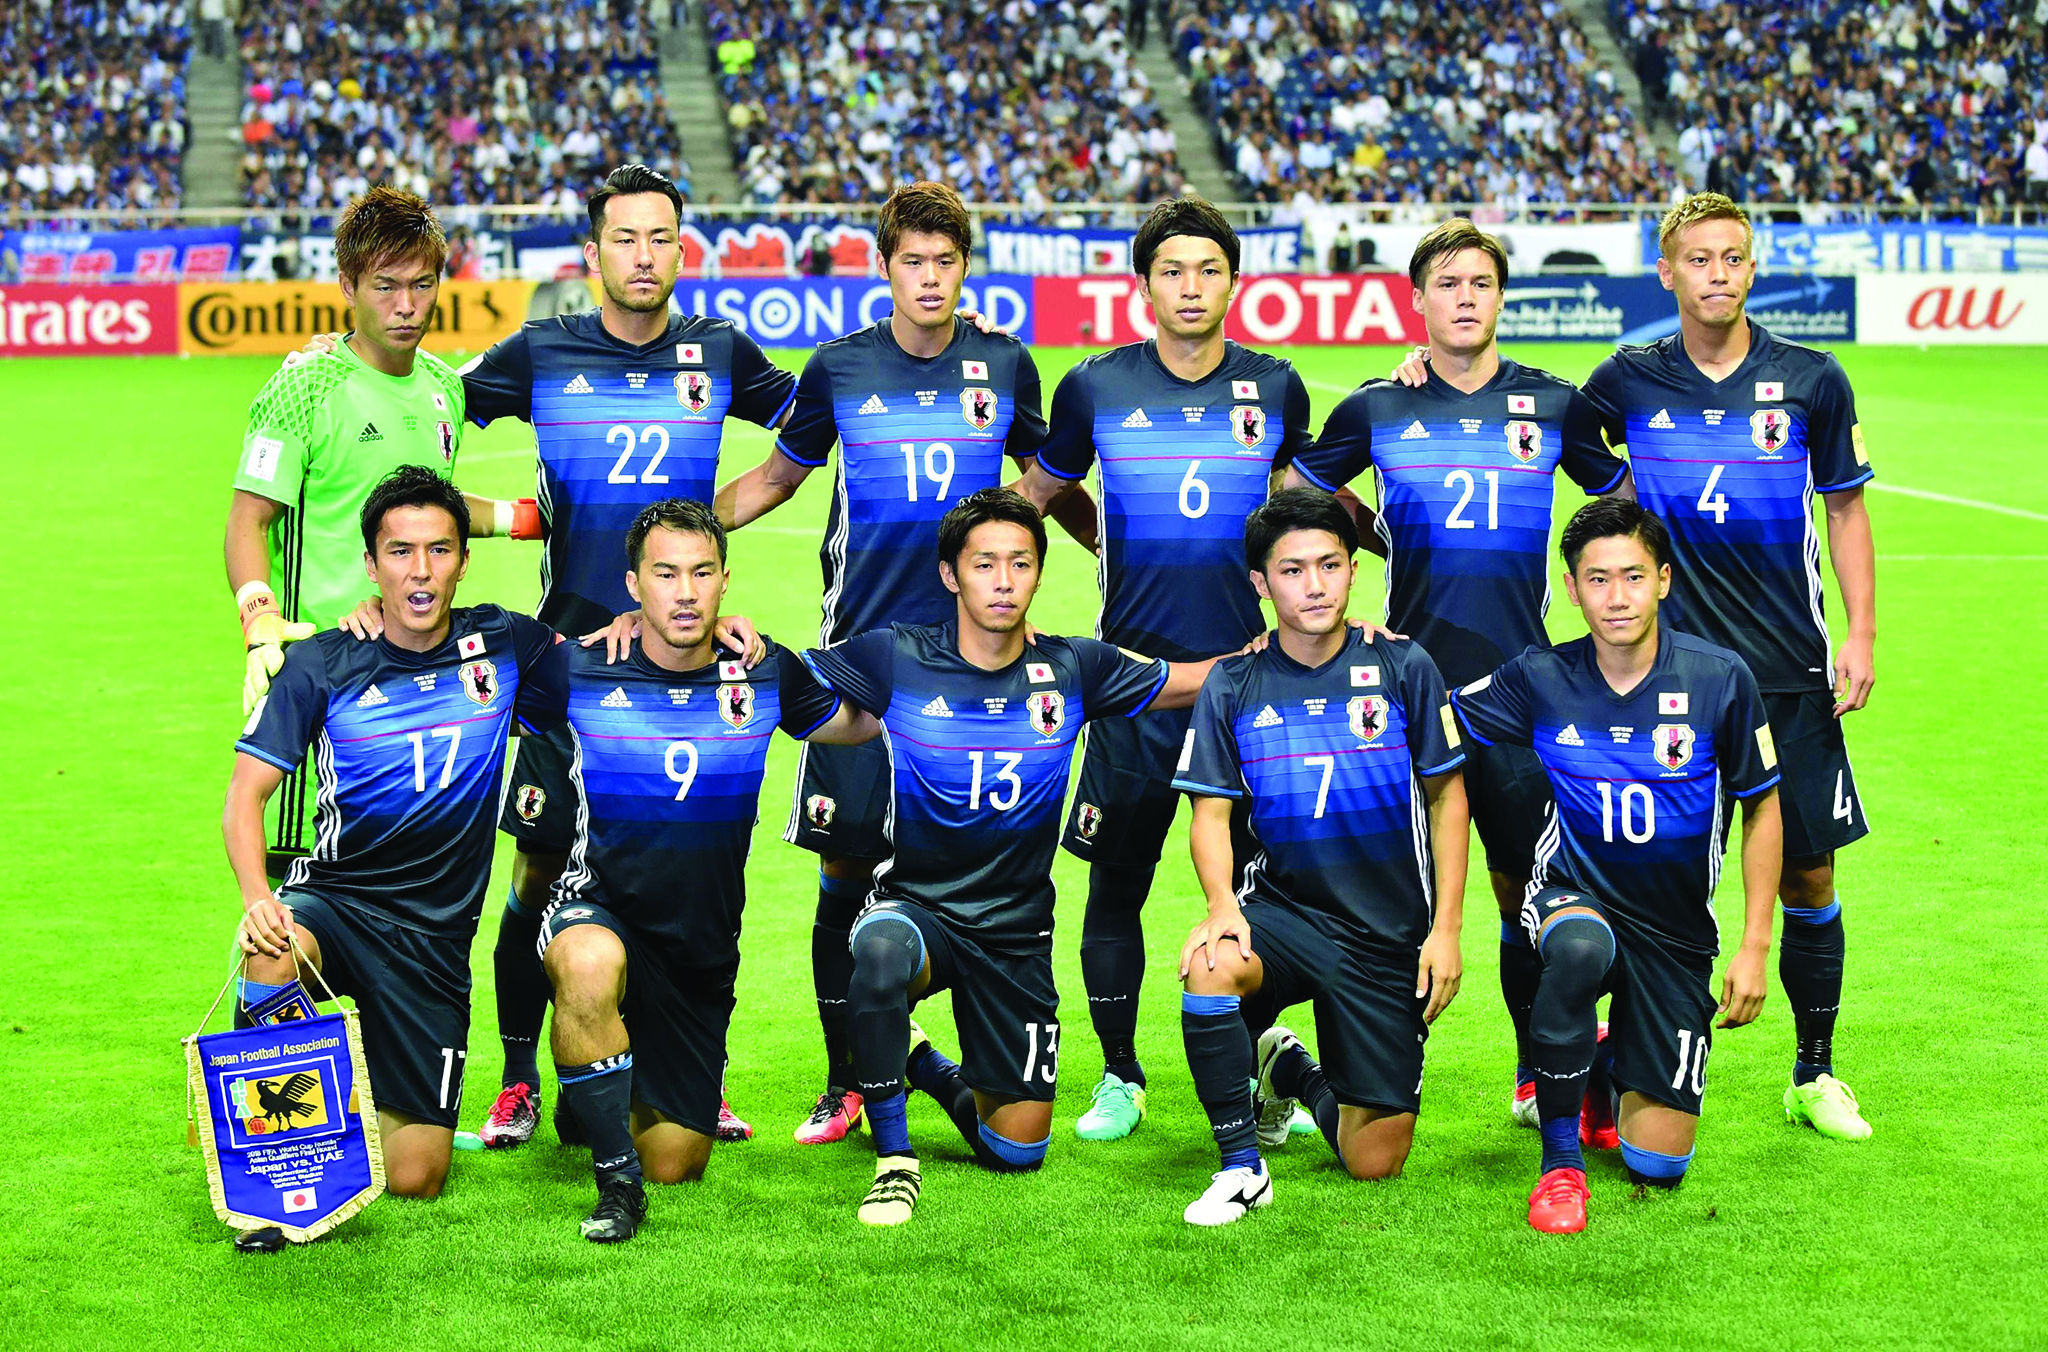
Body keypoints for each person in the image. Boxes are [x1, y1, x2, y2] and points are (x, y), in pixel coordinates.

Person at [717, 182, 1096, 1146]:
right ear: (885, 269)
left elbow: (1046, 485)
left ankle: (963, 1039)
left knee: (966, 859)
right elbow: (772, 479)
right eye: (912, 261)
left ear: (965, 269)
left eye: (946, 261)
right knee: (843, 870)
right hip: (862, 661)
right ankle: (853, 1078)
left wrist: (1119, 552)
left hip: (979, 673)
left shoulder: (1005, 363)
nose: (930, 278)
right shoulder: (840, 368)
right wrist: (674, 539)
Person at [1287, 218, 1630, 1130]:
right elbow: (1294, 490)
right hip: (1405, 693)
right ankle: (1382, 1070)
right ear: (1419, 299)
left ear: (1499, 296)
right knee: (1391, 893)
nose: (1466, 297)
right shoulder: (1378, 406)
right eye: (1448, 283)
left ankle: (1537, 1071)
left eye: (1481, 282)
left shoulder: (1553, 405)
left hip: (1521, 696)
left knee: (1530, 891)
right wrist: (1366, 543)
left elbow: (1621, 503)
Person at [800, 489, 1219, 1225]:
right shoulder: (897, 655)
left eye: (1020, 563)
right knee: (880, 950)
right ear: (950, 575)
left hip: (1017, 934)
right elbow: (790, 677)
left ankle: (920, 1061)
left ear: (1037, 574)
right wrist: (727, 635)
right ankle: (896, 1160)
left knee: (1015, 1148)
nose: (1002, 580)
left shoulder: (1075, 669)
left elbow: (1188, 680)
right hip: (919, 911)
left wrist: (1289, 651)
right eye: (984, 563)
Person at [1009, 194, 1321, 1143]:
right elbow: (1035, 495)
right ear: (1142, 285)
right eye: (1172, 270)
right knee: (1116, 885)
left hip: (1249, 683)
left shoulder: (1276, 388)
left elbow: (1304, 516)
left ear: (1235, 281)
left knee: (1277, 888)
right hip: (1133, 688)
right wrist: (1096, 537)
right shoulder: (1094, 388)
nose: (1191, 287)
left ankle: (1266, 1072)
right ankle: (1121, 1077)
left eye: (1208, 270)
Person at [1578, 193, 1876, 1142]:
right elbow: (1550, 423)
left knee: (1810, 877)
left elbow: (1847, 512)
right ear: (1665, 273)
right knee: (1642, 875)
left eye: (1733, 258)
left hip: (1787, 668)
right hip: (1667, 675)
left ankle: (1815, 1072)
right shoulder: (1627, 379)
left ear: (1752, 268)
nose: (1717, 273)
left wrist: (1860, 636)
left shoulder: (1810, 379)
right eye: (1698, 259)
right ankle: (1610, 1066)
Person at [522, 499, 880, 1242]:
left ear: (724, 583)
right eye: (664, 574)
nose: (684, 592)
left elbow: (861, 720)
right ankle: (617, 1190)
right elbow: (467, 663)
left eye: (700, 573)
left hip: (700, 952)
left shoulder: (766, 672)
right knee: (585, 964)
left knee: (678, 1162)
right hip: (601, 908)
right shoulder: (582, 666)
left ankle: (591, 1088)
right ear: (633, 586)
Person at [224, 468, 565, 1248]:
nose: (420, 571)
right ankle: (276, 1177)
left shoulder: (507, 646)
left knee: (415, 1177)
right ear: (371, 565)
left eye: (439, 550)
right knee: (276, 952)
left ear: (462, 561)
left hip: (432, 947)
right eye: (400, 552)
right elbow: (245, 799)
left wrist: (707, 633)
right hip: (335, 906)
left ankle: (348, 1082)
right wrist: (257, 898)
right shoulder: (325, 663)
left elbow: (615, 661)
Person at [1453, 498, 1782, 1234]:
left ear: (1663, 579)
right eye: (1597, 580)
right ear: (1571, 589)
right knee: (1574, 948)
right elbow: (1433, 714)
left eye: (1633, 576)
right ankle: (1560, 1164)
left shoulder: (1720, 678)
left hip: (1675, 933)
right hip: (1575, 894)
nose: (1616, 597)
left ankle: (1602, 1065)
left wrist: (1757, 946)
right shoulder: (1539, 676)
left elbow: (1764, 807)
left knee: (1658, 1163)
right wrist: (1358, 652)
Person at [1172, 490, 1469, 1227]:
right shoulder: (1234, 683)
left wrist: (1448, 930)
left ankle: (1290, 1070)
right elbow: (1208, 814)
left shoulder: (1404, 666)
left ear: (1352, 571)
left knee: (1375, 1162)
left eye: (1330, 565)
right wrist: (1220, 908)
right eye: (1294, 569)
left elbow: (1447, 799)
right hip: (1287, 913)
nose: (1315, 585)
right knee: (1211, 964)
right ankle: (1242, 1165)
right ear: (1260, 583)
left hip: (1386, 935)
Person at [225, 186, 517, 873]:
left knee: (406, 888)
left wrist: (521, 518)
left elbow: (429, 512)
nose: (406, 305)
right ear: (348, 285)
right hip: (322, 675)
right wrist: (257, 615)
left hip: (419, 675)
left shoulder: (445, 389)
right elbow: (248, 518)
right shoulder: (304, 386)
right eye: (385, 286)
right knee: (300, 897)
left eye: (422, 284)